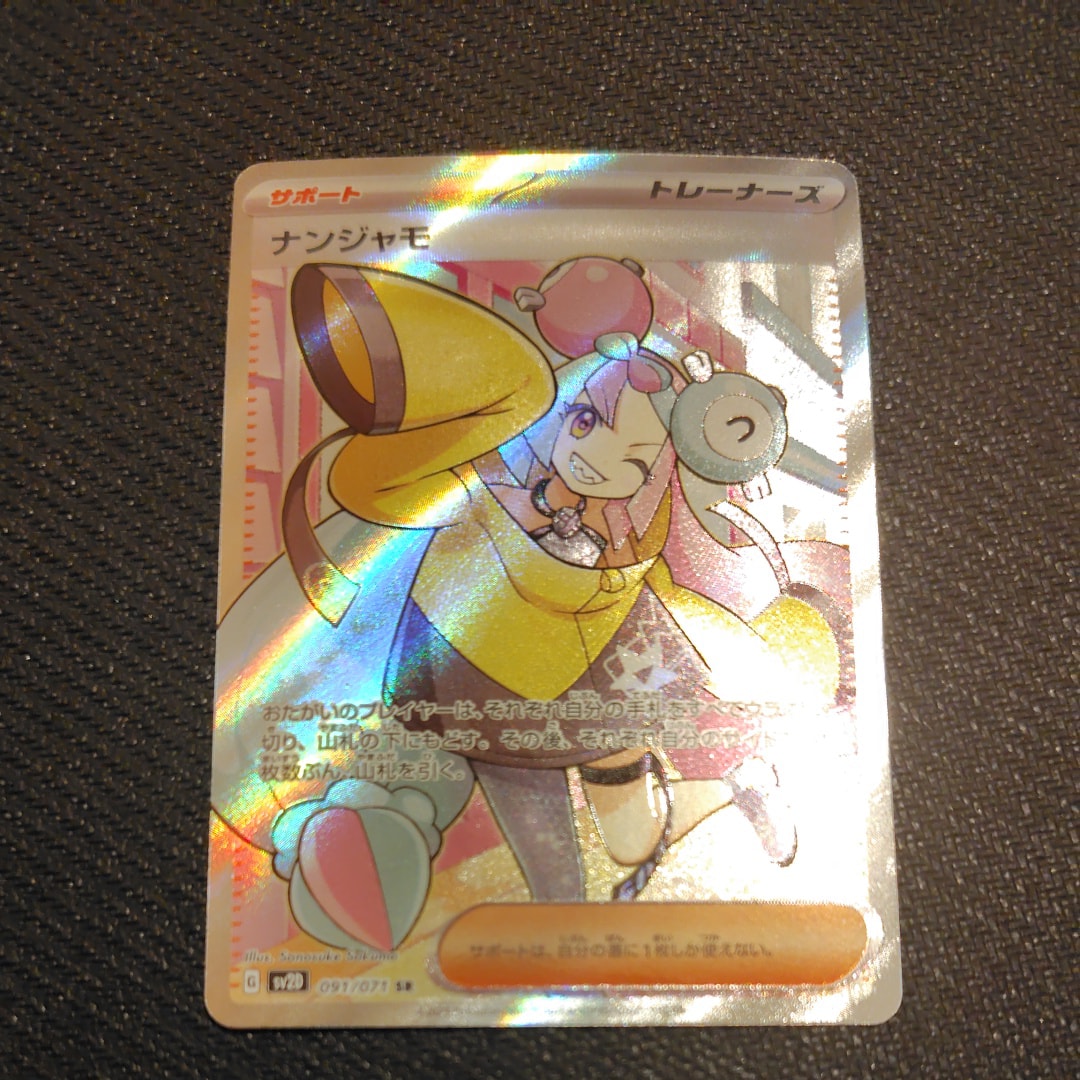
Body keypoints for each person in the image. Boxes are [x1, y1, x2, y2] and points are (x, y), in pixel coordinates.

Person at [271, 262, 842, 951]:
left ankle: (738, 785)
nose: (599, 459)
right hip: (486, 682)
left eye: (634, 461)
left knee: (631, 841)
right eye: (586, 422)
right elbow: (377, 490)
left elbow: (650, 600)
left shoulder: (623, 544)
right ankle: (557, 947)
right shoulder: (491, 472)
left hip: (590, 679)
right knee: (555, 877)